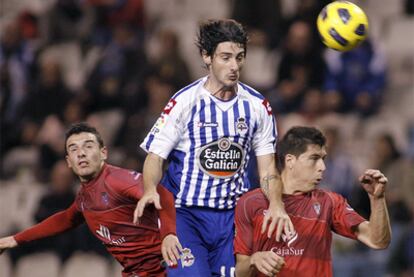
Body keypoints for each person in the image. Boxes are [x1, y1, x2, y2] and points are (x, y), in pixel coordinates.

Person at [134, 19, 294, 276]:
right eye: (226, 57)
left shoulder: (257, 107)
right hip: (186, 217)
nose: (234, 66)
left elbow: (268, 171)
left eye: (239, 57)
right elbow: (155, 158)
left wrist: (276, 203)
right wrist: (150, 188)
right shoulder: (184, 102)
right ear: (206, 56)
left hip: (233, 219)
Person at [0, 122, 181, 277]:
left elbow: (163, 194)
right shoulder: (85, 196)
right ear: (69, 161)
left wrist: (169, 235)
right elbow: (65, 219)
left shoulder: (117, 180)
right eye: (73, 149)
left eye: (88, 146)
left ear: (103, 153)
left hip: (168, 267)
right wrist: (15, 239)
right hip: (139, 271)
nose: (81, 153)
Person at [234, 126, 391, 277]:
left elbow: (377, 241)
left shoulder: (329, 202)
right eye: (314, 158)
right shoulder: (251, 203)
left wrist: (377, 199)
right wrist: (254, 260)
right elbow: (240, 271)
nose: (322, 167)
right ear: (290, 161)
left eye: (323, 159)